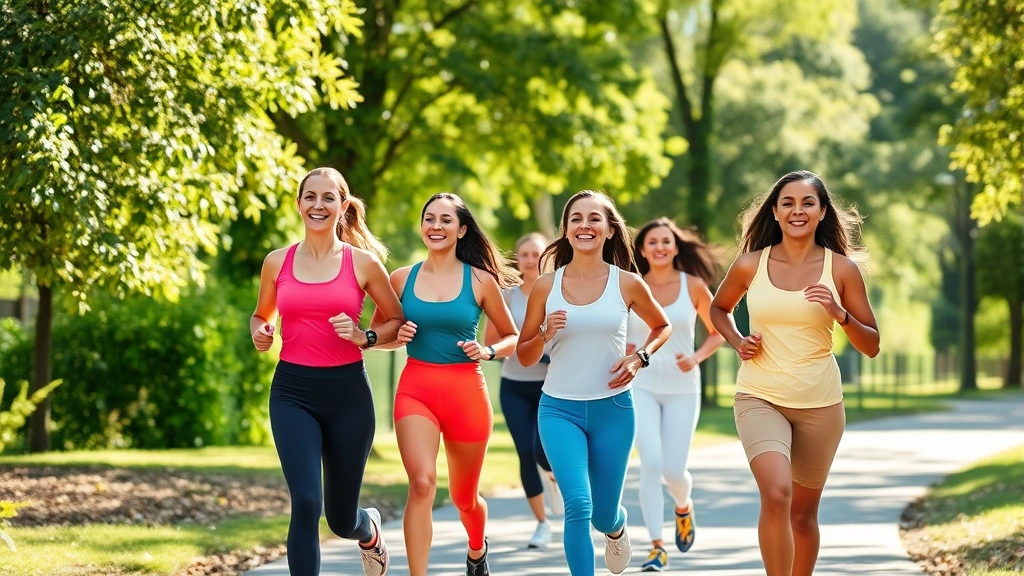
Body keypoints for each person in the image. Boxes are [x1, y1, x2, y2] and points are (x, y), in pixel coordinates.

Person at [709, 170, 880, 576]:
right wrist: (736, 340)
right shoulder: (750, 264)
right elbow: (719, 308)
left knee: (802, 517)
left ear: (822, 212)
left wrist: (839, 314)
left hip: (820, 404)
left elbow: (871, 345)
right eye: (788, 203)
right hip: (759, 395)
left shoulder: (841, 270)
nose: (797, 210)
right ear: (776, 211)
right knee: (776, 493)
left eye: (807, 203)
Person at [251, 167, 405, 576]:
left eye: (328, 198)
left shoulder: (363, 264)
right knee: (305, 501)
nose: (318, 205)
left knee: (340, 519)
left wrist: (363, 336)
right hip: (292, 391)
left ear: (342, 206)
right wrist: (261, 332)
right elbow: (260, 315)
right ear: (299, 204)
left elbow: (395, 321)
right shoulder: (276, 262)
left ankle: (368, 529)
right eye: (310, 197)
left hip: (347, 396)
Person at [516, 190, 672, 576]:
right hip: (558, 409)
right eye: (576, 219)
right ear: (566, 230)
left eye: (594, 218)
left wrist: (640, 357)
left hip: (614, 411)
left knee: (601, 515)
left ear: (609, 230)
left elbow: (661, 326)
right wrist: (542, 331)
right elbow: (524, 355)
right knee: (578, 506)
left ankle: (616, 528)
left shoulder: (628, 283)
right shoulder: (545, 286)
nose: (585, 225)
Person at [371, 192, 520, 576]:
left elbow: (511, 337)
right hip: (416, 390)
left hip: (467, 394)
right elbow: (376, 335)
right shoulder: (401, 278)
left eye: (445, 220)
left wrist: (487, 351)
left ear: (462, 229)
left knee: (464, 498)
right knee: (421, 484)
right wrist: (396, 335)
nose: (435, 226)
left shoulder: (481, 280)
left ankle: (476, 548)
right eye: (429, 219)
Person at [625, 218, 726, 572]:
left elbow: (719, 331)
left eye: (666, 241)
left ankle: (683, 506)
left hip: (684, 388)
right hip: (641, 385)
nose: (660, 247)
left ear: (676, 246)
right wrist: (625, 351)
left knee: (673, 471)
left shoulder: (693, 286)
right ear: (642, 249)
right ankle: (656, 546)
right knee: (650, 463)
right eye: (652, 242)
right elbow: (617, 331)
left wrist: (696, 357)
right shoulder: (632, 286)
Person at [484, 232, 563, 550]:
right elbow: (494, 339)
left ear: (548, 257)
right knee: (525, 453)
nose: (530, 259)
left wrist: (544, 350)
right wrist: (508, 347)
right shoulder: (506, 295)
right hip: (514, 386)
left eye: (536, 253)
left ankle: (555, 475)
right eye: (525, 254)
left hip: (551, 385)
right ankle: (542, 524)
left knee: (541, 450)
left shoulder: (558, 293)